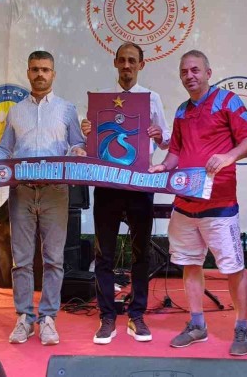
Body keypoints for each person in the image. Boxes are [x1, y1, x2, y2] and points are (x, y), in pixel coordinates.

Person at [149, 50, 247, 356]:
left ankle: (242, 327)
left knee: (234, 267)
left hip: (219, 204)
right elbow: (176, 152)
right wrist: (163, 166)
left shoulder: (228, 101)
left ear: (208, 73)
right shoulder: (181, 111)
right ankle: (197, 325)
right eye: (184, 71)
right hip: (184, 204)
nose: (190, 76)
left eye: (195, 70)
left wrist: (228, 156)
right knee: (189, 264)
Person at [0, 50, 86, 346]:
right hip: (22, 190)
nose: (40, 74)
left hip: (56, 191)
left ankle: (48, 319)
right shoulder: (16, 111)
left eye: (45, 69)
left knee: (54, 259)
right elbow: (4, 149)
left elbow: (77, 144)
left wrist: (78, 150)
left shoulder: (67, 109)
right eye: (35, 69)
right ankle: (25, 318)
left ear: (53, 74)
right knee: (21, 260)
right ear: (28, 73)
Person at [80, 42, 171, 345]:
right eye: (122, 60)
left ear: (141, 65)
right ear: (115, 63)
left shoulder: (152, 98)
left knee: (141, 252)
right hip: (107, 183)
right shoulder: (102, 99)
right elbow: (89, 141)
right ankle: (107, 316)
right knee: (104, 254)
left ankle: (137, 314)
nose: (127, 65)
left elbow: (166, 142)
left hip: (140, 184)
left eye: (133, 60)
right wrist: (87, 130)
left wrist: (160, 135)